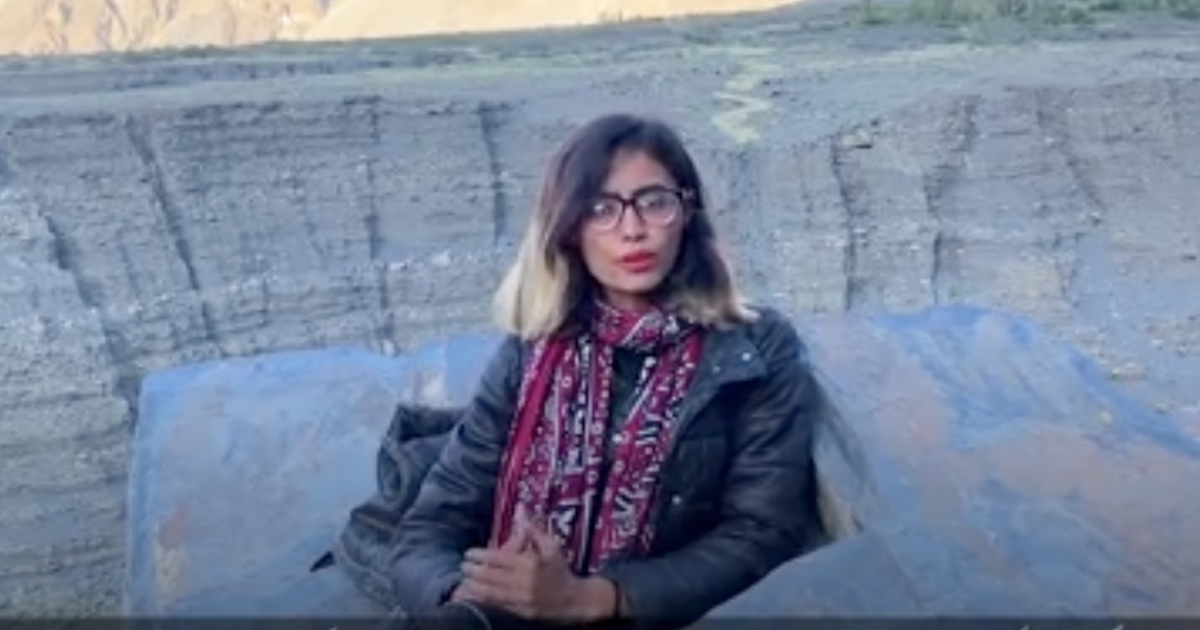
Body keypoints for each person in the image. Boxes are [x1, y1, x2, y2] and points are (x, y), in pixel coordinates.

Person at [386, 113, 825, 629]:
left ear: (687, 212)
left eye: (654, 202)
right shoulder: (529, 354)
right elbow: (429, 527)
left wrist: (595, 598)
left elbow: (761, 532)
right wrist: (469, 598)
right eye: (601, 208)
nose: (633, 230)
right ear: (569, 227)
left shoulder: (752, 348)